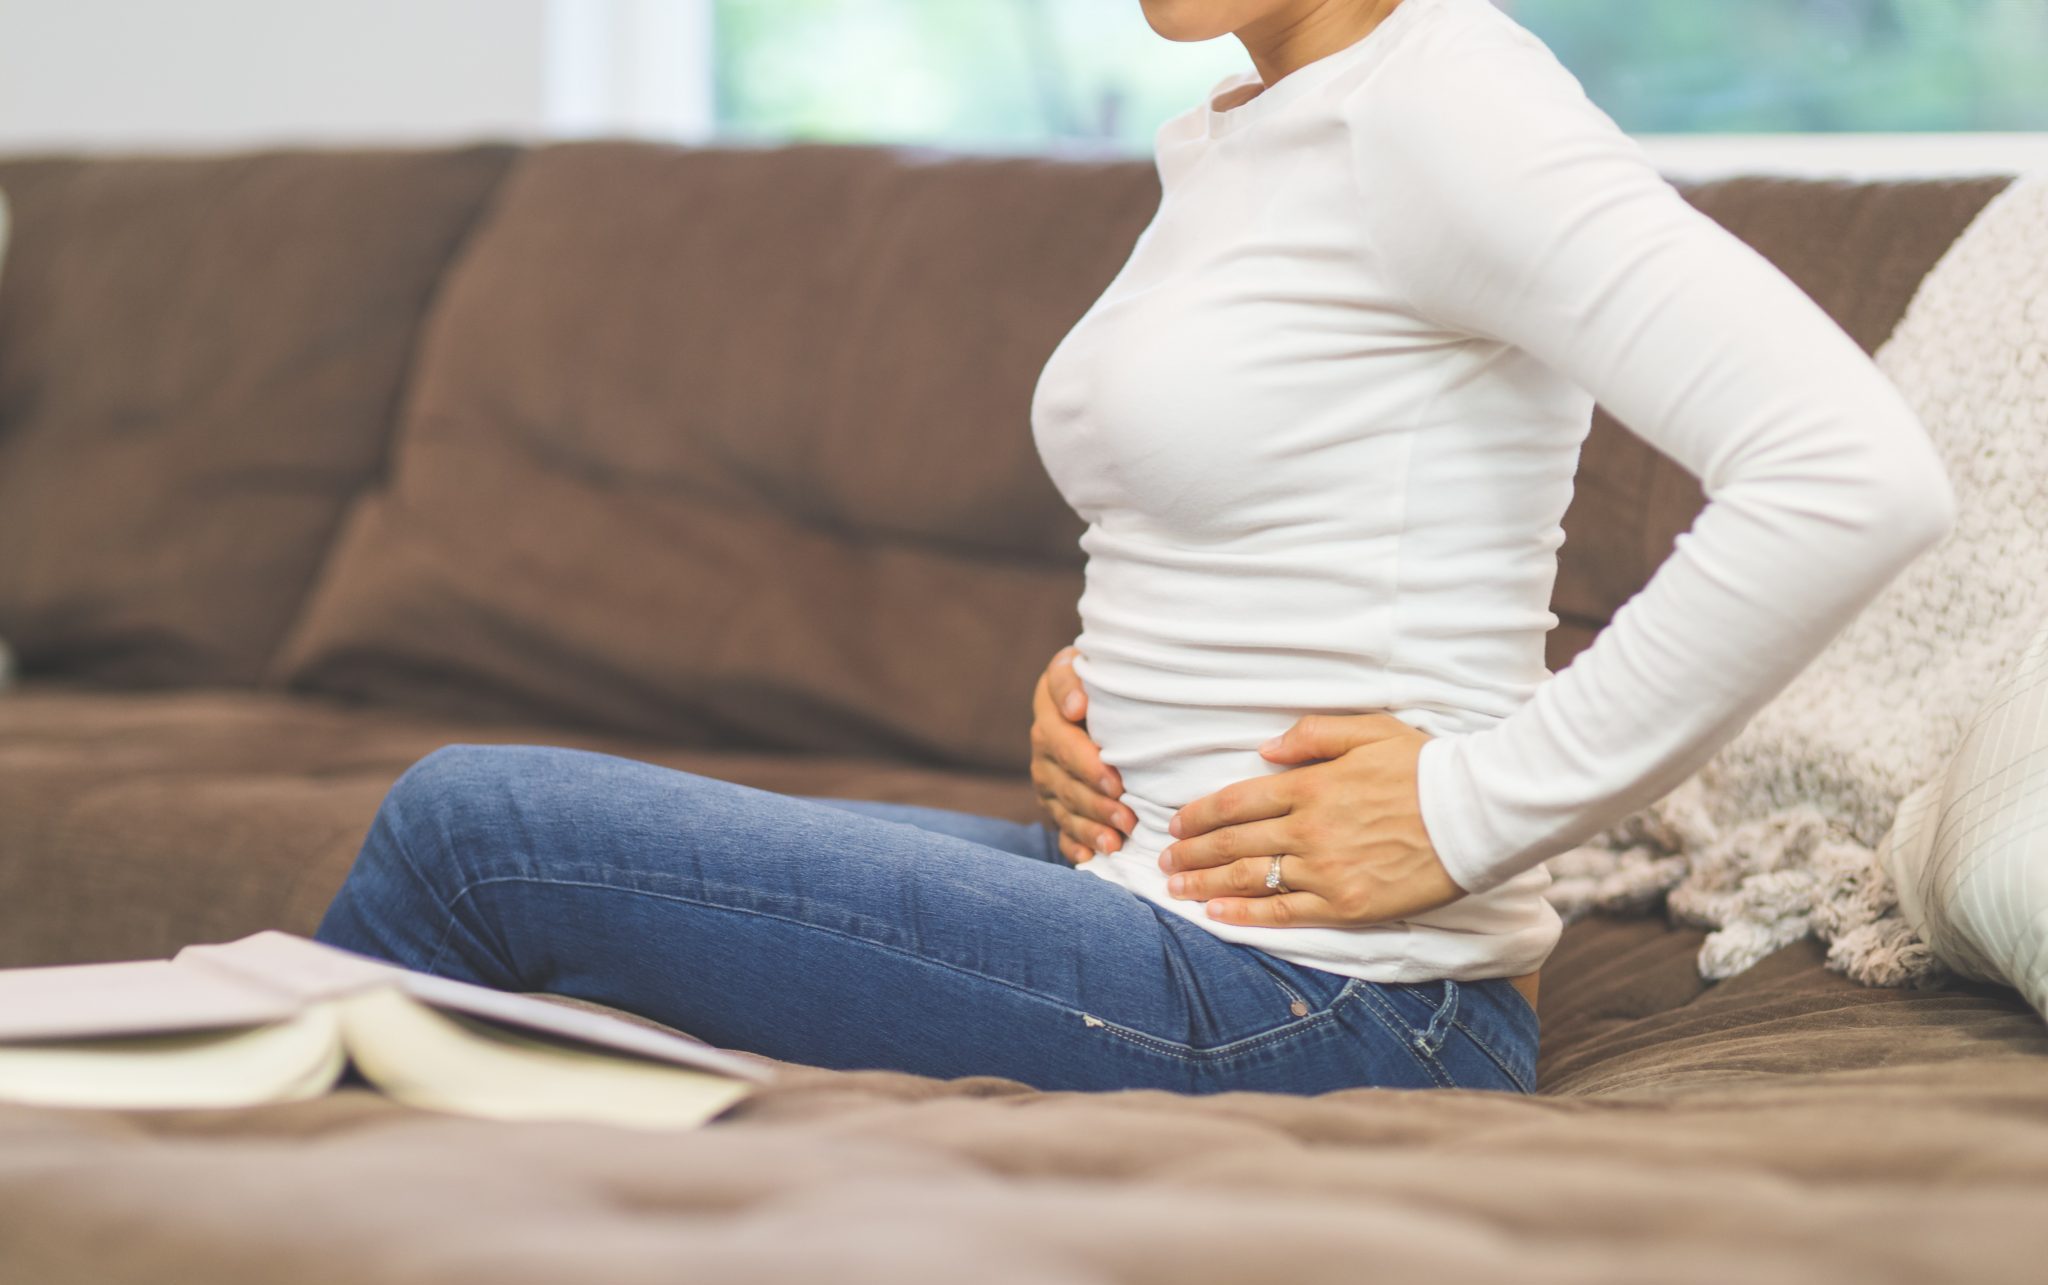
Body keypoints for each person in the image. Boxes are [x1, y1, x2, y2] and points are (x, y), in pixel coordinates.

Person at [313, 0, 1955, 1096]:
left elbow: (1849, 471)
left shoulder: (1448, 99)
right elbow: (1260, 489)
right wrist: (1113, 680)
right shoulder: (1251, 126)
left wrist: (1468, 807)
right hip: (1148, 886)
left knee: (478, 833)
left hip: (1333, 1001)